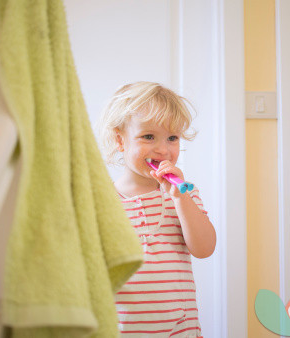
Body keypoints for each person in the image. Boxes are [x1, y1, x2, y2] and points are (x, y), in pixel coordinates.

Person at [98, 81, 216, 337]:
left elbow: (204, 249)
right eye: (148, 136)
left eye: (172, 138)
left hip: (180, 329)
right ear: (120, 140)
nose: (163, 150)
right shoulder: (102, 201)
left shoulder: (185, 193)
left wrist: (180, 200)